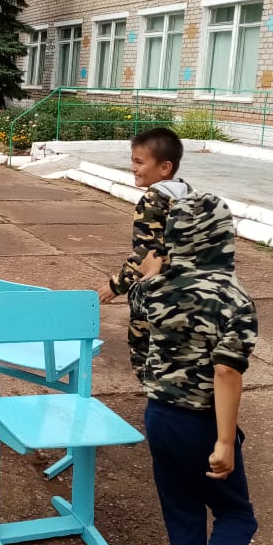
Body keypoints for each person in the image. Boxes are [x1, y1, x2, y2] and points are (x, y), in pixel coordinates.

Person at [128, 193, 259, 545]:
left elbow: (138, 317)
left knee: (182, 513)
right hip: (202, 422)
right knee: (236, 513)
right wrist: (225, 440)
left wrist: (151, 272)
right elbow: (227, 371)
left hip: (159, 416)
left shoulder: (151, 289)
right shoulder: (233, 297)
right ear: (223, 237)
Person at [99, 127, 191, 382]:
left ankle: (156, 398)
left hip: (156, 293)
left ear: (164, 167)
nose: (133, 168)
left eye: (139, 162)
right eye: (133, 161)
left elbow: (145, 253)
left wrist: (115, 286)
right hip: (186, 293)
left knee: (146, 357)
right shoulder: (188, 194)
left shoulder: (153, 200)